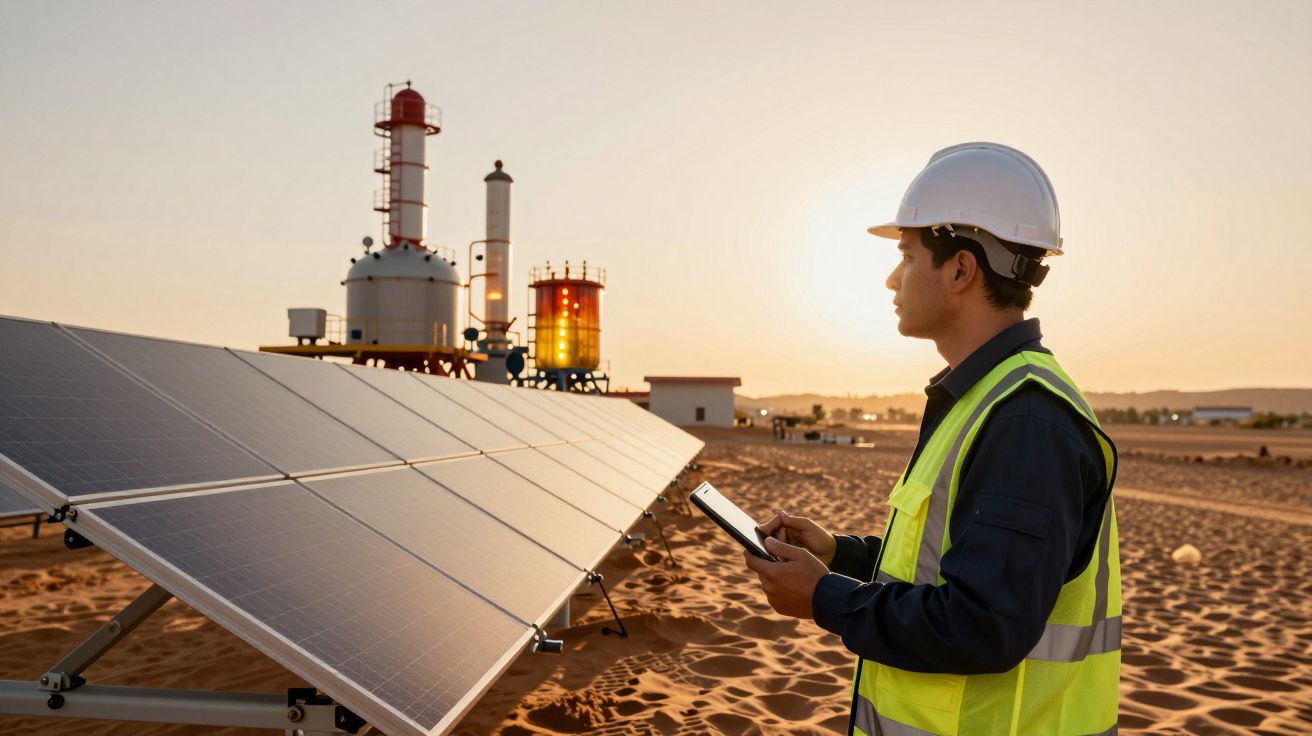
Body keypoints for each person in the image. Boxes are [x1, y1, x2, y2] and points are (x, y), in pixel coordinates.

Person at [742, 143, 1120, 735]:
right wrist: (840, 554)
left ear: (962, 269)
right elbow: (956, 567)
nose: (892, 277)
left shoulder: (1025, 422)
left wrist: (825, 597)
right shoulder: (984, 397)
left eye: (907, 255)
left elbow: (982, 625)